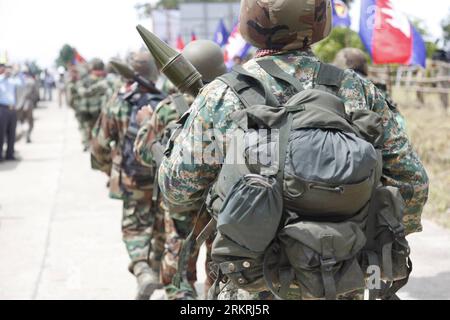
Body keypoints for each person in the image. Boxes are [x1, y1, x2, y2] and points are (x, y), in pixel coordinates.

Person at [158, 0, 429, 300]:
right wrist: (354, 240)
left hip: (253, 283)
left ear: (250, 19)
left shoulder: (222, 95)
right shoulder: (358, 90)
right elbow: (412, 184)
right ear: (320, 19)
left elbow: (177, 191)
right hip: (336, 281)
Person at [134, 40, 227, 300]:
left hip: (181, 205)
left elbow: (143, 153)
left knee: (178, 274)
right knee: (219, 272)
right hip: (220, 204)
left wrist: (145, 126)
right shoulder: (231, 103)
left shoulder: (167, 108)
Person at [90, 52, 166, 300]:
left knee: (134, 229)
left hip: (131, 179)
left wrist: (109, 171)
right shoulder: (165, 101)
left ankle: (143, 271)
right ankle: (156, 275)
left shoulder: (118, 102)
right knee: (160, 229)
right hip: (162, 180)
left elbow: (99, 146)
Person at [77, 58, 114, 151]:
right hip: (95, 111)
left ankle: (92, 145)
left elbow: (81, 92)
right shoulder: (106, 79)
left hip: (92, 110)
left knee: (91, 130)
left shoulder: (89, 79)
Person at [0, 64, 19, 161]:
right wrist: (3, 76)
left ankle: (10, 154)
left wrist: (15, 72)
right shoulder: (1, 80)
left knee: (12, 133)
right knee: (1, 133)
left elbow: (21, 83)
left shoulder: (12, 80)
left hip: (12, 109)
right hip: (2, 108)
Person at [18, 69, 39, 143]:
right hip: (29, 103)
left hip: (19, 105)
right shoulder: (32, 81)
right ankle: (27, 135)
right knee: (30, 122)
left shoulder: (18, 81)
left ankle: (23, 134)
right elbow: (36, 93)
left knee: (21, 121)